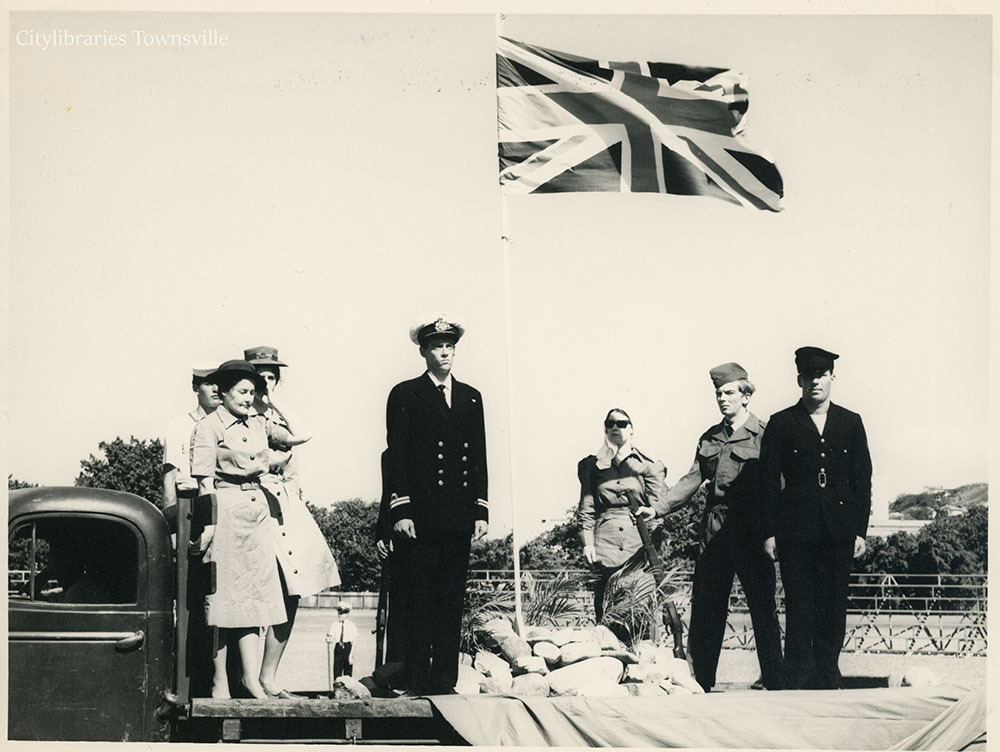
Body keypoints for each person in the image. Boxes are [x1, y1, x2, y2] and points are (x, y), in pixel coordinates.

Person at [190, 359, 308, 699]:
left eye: (253, 391)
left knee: (254, 603)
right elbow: (204, 482)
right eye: (243, 391)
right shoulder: (208, 427)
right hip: (226, 512)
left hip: (257, 515)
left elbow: (301, 435)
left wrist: (272, 403)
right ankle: (220, 682)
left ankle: (251, 680)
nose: (248, 397)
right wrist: (210, 525)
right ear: (224, 392)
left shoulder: (259, 423)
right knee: (224, 602)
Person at [384, 314, 489, 695]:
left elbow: (478, 455)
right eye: (437, 346)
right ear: (423, 351)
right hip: (421, 514)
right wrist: (401, 509)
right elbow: (397, 455)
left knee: (450, 598)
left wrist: (481, 508)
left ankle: (445, 680)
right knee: (419, 596)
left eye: (450, 346)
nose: (445, 352)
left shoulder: (471, 396)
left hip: (458, 514)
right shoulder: (405, 394)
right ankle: (414, 677)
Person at [664, 363, 784, 692]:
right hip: (714, 530)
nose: (722, 398)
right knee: (707, 606)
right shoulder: (710, 437)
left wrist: (776, 530)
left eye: (728, 392)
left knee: (763, 608)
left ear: (746, 395)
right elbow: (690, 481)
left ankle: (777, 682)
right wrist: (658, 508)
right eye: (718, 393)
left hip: (752, 528)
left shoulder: (766, 433)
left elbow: (780, 485)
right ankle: (701, 682)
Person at [759, 346, 872, 690]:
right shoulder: (781, 423)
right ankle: (798, 673)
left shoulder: (850, 422)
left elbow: (862, 478)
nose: (815, 382)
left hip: (838, 528)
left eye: (821, 375)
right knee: (799, 602)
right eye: (808, 376)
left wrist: (860, 531)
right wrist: (768, 532)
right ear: (799, 380)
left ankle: (827, 672)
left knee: (834, 603)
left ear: (832, 379)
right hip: (795, 529)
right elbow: (767, 481)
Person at [244, 345, 342, 699]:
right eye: (257, 378)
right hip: (251, 509)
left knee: (291, 593)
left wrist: (274, 405)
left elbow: (300, 441)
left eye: (271, 378)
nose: (264, 385)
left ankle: (269, 676)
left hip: (286, 510)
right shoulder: (236, 418)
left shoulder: (279, 420)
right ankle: (245, 678)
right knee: (253, 595)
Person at [576, 408, 668, 623]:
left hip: (637, 543)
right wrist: (587, 543)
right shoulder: (592, 465)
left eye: (622, 423)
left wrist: (651, 550)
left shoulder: (649, 466)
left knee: (638, 606)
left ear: (632, 429)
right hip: (604, 544)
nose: (615, 427)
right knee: (607, 608)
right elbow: (587, 507)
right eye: (610, 424)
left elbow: (658, 511)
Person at [162, 364, 220, 510]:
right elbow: (169, 479)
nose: (215, 389)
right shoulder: (178, 426)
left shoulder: (227, 426)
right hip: (190, 501)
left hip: (223, 499)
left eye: (219, 384)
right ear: (196, 388)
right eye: (208, 384)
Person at [327, 601, 358, 678]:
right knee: (337, 673)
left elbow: (354, 642)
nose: (340, 615)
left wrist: (351, 655)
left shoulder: (352, 625)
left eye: (342, 613)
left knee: (348, 674)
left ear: (347, 614)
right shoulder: (334, 624)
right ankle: (337, 689)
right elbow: (331, 638)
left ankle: (347, 690)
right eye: (339, 613)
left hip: (348, 648)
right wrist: (328, 639)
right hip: (338, 649)